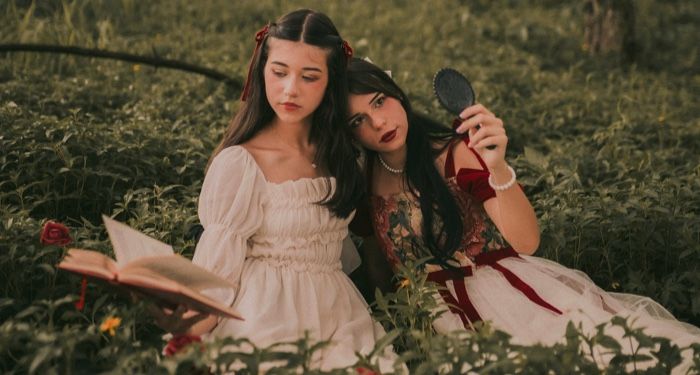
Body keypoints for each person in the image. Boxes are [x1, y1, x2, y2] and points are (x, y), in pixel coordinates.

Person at [346, 57, 700, 372]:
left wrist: (497, 166)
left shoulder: (453, 154)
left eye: (380, 101)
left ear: (398, 94)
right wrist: (393, 329)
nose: (378, 122)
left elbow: (526, 242)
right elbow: (379, 261)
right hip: (428, 317)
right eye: (358, 119)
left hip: (499, 297)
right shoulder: (364, 179)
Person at [150, 11, 395, 371]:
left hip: (340, 312)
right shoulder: (242, 163)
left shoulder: (341, 155)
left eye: (309, 76)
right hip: (266, 313)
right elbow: (216, 278)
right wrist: (183, 326)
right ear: (262, 69)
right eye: (279, 72)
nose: (290, 89)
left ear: (331, 83)